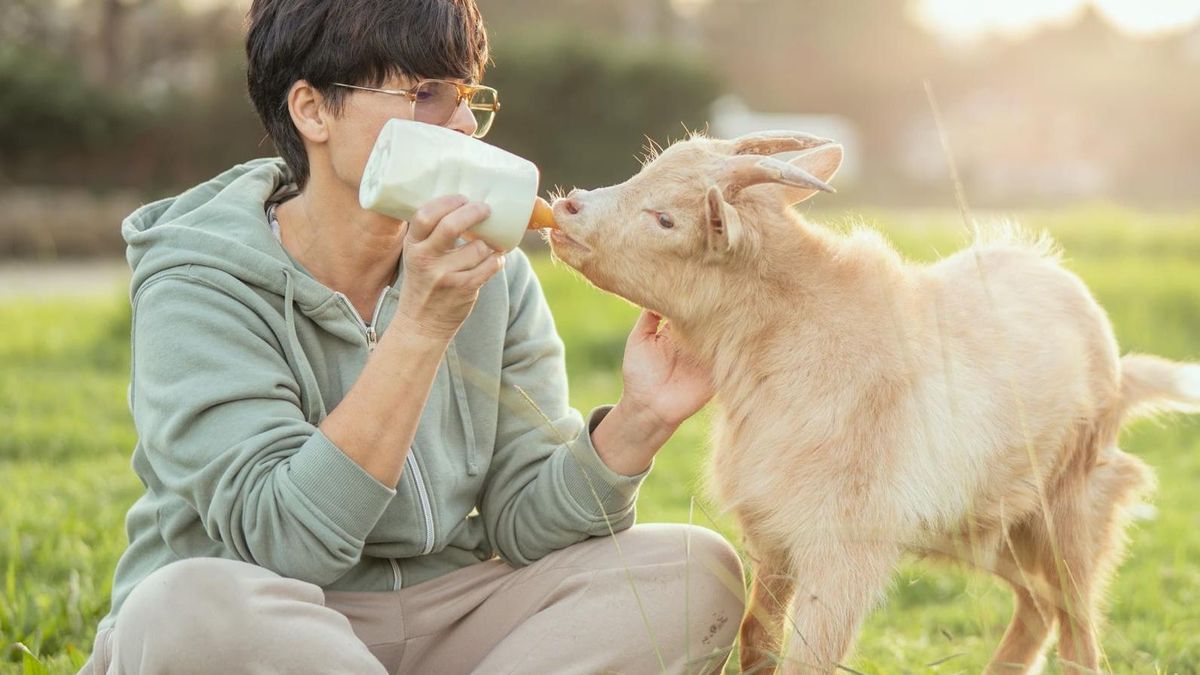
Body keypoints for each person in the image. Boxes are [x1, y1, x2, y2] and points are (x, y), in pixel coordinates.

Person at [77, 1, 744, 673]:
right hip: (276, 620)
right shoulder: (198, 279)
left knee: (693, 573)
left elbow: (524, 522)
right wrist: (421, 325)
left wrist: (639, 418)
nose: (459, 123)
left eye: (465, 97)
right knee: (180, 608)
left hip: (450, 611)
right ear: (312, 111)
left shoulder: (494, 269)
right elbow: (285, 543)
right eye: (424, 93)